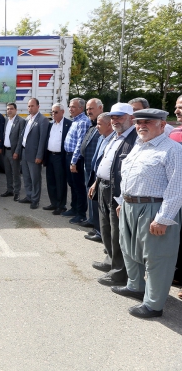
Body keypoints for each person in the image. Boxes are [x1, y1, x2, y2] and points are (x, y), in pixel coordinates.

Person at [114, 108, 182, 318]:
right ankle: (135, 286)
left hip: (154, 208)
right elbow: (129, 175)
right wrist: (121, 201)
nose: (141, 125)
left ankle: (153, 304)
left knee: (157, 257)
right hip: (129, 205)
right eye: (139, 122)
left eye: (148, 122)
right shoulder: (139, 145)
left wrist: (163, 218)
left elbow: (177, 188)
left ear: (162, 124)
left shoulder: (172, 150)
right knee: (128, 249)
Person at [88, 102, 135, 287]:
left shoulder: (133, 139)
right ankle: (110, 260)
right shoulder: (115, 136)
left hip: (118, 191)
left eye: (120, 117)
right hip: (103, 186)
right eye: (113, 117)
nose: (115, 120)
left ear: (131, 118)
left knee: (117, 232)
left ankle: (118, 273)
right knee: (105, 227)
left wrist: (123, 197)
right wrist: (96, 182)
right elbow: (106, 162)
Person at [85, 113, 114, 243]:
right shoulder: (102, 137)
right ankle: (98, 230)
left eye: (99, 124)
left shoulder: (113, 140)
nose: (96, 126)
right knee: (97, 205)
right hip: (97, 176)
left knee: (105, 209)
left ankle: (103, 235)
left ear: (109, 125)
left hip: (106, 180)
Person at [15, 98, 49, 209]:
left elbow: (42, 140)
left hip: (34, 155)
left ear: (38, 106)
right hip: (25, 152)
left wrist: (39, 156)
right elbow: (23, 136)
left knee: (35, 179)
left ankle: (35, 200)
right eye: (29, 106)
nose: (30, 108)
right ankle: (29, 196)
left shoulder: (42, 120)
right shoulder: (28, 119)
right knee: (26, 177)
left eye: (32, 106)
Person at [62, 98, 91, 224]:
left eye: (73, 107)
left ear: (81, 108)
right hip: (69, 156)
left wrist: (73, 162)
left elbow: (80, 143)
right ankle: (74, 208)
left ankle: (81, 214)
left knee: (79, 187)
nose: (70, 109)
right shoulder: (75, 120)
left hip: (76, 158)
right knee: (72, 184)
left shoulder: (83, 122)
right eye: (70, 106)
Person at [78, 98, 105, 230]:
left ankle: (97, 226)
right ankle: (92, 219)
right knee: (90, 194)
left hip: (97, 169)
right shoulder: (92, 124)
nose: (88, 111)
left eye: (91, 109)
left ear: (100, 108)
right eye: (87, 109)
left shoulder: (104, 124)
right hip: (88, 166)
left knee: (95, 197)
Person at [43, 104, 71, 215]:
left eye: (56, 112)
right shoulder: (51, 124)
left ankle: (61, 205)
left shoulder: (68, 124)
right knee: (50, 181)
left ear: (62, 112)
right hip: (50, 155)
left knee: (60, 182)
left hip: (60, 157)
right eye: (52, 112)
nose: (53, 114)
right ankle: (53, 203)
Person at [169, 94, 182, 298]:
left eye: (181, 107)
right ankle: (178, 274)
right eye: (176, 106)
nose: (176, 111)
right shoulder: (174, 133)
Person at [1, 102, 26, 201]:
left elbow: (20, 139)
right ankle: (9, 190)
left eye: (11, 109)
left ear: (16, 110)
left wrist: (17, 151)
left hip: (14, 151)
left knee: (16, 173)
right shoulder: (6, 119)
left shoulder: (21, 121)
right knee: (7, 172)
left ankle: (16, 192)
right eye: (8, 109)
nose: (9, 110)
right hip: (5, 150)